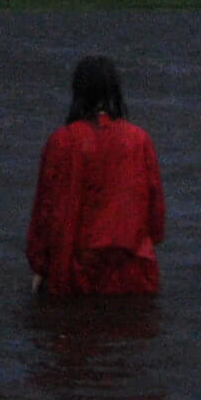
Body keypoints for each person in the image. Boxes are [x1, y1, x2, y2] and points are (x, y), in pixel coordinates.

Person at [27, 55, 166, 296]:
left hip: (76, 270)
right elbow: (155, 213)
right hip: (132, 267)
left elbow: (47, 209)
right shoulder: (139, 139)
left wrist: (40, 265)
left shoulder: (63, 140)